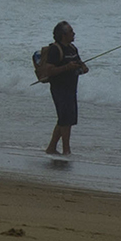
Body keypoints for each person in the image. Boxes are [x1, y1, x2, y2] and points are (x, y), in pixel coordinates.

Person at [43, 21, 88, 155]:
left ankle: (51, 148)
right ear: (63, 35)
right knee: (65, 120)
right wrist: (67, 67)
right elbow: (49, 70)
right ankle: (66, 150)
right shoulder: (55, 49)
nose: (73, 34)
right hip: (59, 88)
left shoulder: (72, 48)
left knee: (65, 120)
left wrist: (83, 68)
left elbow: (80, 63)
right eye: (70, 32)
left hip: (71, 88)